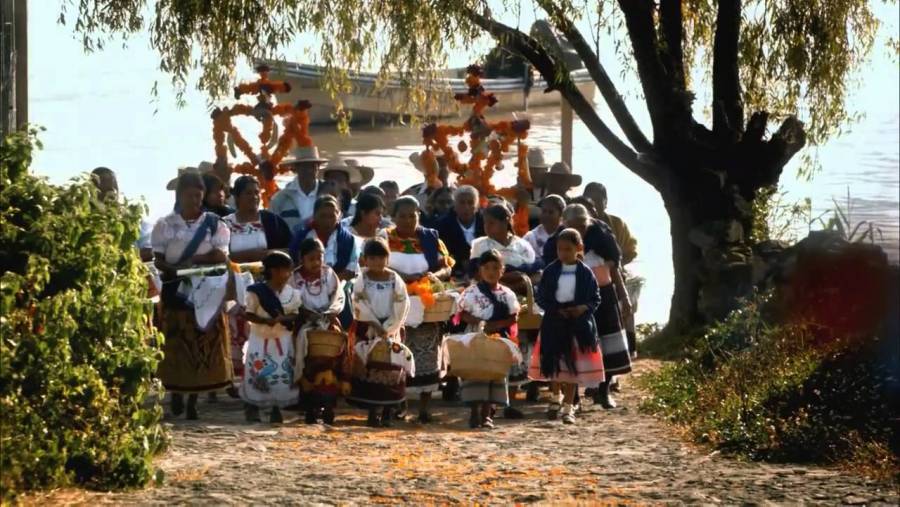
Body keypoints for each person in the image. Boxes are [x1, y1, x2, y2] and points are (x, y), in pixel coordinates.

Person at [151, 172, 233, 419]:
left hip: (206, 288)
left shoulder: (214, 224)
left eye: (198, 195)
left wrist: (194, 261)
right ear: (180, 196)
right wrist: (175, 269)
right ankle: (176, 393)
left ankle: (193, 402)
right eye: (190, 195)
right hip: (176, 289)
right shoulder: (165, 225)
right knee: (177, 345)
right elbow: (159, 259)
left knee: (202, 344)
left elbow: (220, 255)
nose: (195, 200)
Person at [544, 204, 632, 408]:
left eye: (583, 226)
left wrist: (624, 295)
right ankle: (572, 397)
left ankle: (604, 390)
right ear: (564, 224)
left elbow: (614, 267)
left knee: (607, 344)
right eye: (575, 227)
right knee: (572, 346)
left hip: (603, 295)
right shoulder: (558, 242)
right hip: (571, 298)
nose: (581, 231)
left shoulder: (601, 234)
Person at [380, 196, 454, 423]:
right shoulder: (385, 238)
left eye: (412, 215)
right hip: (394, 301)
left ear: (419, 216)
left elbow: (447, 267)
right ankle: (398, 404)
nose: (407, 220)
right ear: (394, 217)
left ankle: (424, 407)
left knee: (428, 356)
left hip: (426, 301)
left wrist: (432, 276)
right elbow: (371, 263)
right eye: (402, 215)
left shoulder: (430, 237)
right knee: (396, 355)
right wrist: (401, 278)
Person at [468, 203, 540, 418]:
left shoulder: (522, 245)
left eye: (492, 222)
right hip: (488, 297)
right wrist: (508, 277)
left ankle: (510, 399)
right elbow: (477, 271)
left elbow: (534, 271)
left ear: (505, 221)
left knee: (517, 346)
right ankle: (486, 404)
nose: (487, 227)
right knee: (490, 348)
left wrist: (516, 279)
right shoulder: (480, 245)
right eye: (485, 223)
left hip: (518, 297)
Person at [223, 176, 293, 388]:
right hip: (235, 286)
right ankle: (236, 381)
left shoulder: (271, 221)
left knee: (264, 330)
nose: (254, 197)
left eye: (257, 192)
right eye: (248, 193)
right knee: (238, 329)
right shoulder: (225, 224)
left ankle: (265, 377)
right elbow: (222, 255)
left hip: (267, 286)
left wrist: (266, 255)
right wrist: (254, 254)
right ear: (235, 196)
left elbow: (288, 252)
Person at [529, 228, 605, 425]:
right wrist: (555, 309)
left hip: (577, 325)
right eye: (560, 249)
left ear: (579, 248)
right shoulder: (551, 271)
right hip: (554, 322)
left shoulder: (586, 273)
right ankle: (555, 398)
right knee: (554, 364)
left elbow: (595, 298)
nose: (563, 253)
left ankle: (569, 407)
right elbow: (542, 296)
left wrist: (582, 308)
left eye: (568, 249)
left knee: (572, 369)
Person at [348, 238, 414, 427]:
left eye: (381, 257)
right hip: (368, 328)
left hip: (391, 328)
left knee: (391, 369)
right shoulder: (362, 279)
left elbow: (402, 303)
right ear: (365, 259)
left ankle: (388, 411)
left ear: (388, 258)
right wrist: (375, 325)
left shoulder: (395, 279)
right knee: (371, 368)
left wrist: (389, 327)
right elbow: (359, 302)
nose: (377, 262)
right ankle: (372, 411)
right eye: (373, 258)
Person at [457, 250, 521, 429]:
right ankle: (474, 413)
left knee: (493, 375)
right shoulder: (471, 292)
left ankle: (487, 415)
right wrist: (481, 323)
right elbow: (462, 314)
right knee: (476, 374)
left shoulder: (507, 294)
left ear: (502, 270)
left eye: (496, 268)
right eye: (486, 268)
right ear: (480, 270)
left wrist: (497, 325)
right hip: (476, 336)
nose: (491, 272)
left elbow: (513, 317)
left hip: (498, 338)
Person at [292, 238, 349, 425]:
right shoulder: (294, 278)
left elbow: (338, 296)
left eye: (320, 258)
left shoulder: (329, 273)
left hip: (328, 320)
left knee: (334, 358)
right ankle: (309, 405)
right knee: (307, 360)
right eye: (311, 259)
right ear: (302, 259)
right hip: (305, 322)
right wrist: (308, 314)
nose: (316, 263)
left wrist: (330, 313)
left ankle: (330, 404)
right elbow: (292, 301)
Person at [240, 251, 302, 423]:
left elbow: (295, 314)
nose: (289, 274)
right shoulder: (255, 292)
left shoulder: (291, 293)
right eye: (286, 270)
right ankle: (252, 407)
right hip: (261, 340)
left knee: (281, 373)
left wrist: (283, 319)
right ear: (274, 271)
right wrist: (265, 320)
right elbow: (249, 314)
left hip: (282, 340)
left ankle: (276, 408)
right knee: (258, 373)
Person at [584, 182, 639, 358]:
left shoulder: (616, 224)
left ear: (606, 202)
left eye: (599, 200)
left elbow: (630, 251)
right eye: (590, 200)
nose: (594, 204)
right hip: (588, 278)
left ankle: (629, 346)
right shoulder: (578, 226)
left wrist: (617, 265)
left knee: (628, 295)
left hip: (615, 273)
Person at [288, 195, 359, 281]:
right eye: (323, 216)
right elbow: (293, 266)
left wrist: (329, 284)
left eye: (331, 216)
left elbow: (351, 271)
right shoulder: (301, 237)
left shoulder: (348, 240)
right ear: (314, 215)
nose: (327, 221)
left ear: (339, 216)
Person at [269, 146, 328, 230]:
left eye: (312, 166)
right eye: (304, 167)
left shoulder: (328, 194)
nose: (309, 171)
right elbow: (271, 229)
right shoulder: (280, 199)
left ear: (318, 168)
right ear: (296, 169)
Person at [434, 185, 484, 281]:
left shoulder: (486, 222)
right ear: (455, 206)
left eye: (470, 203)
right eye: (462, 203)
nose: (466, 207)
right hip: (454, 274)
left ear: (477, 206)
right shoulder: (442, 225)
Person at [523, 194, 565, 261]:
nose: (546, 215)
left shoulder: (567, 234)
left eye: (551, 212)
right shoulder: (530, 236)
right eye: (544, 211)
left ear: (561, 214)